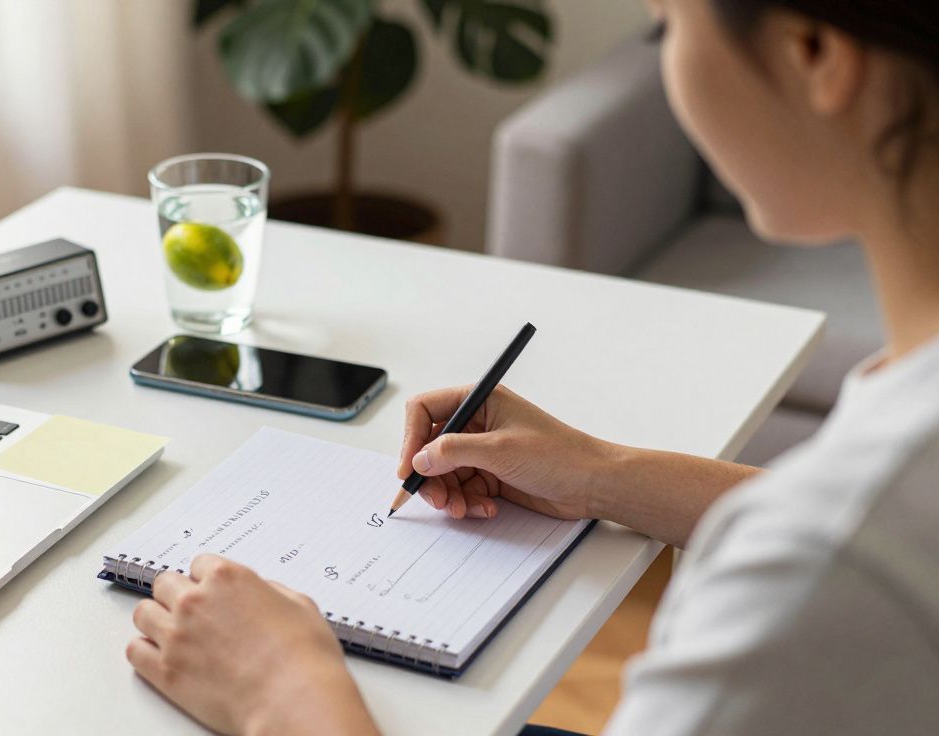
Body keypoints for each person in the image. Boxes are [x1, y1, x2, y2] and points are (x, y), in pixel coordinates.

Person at [124, 0, 939, 732]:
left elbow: (853, 542)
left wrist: (283, 694)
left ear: (813, 54)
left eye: (668, 23)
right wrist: (598, 473)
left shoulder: (819, 567)